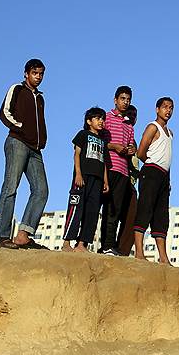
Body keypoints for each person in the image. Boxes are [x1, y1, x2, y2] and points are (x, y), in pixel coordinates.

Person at [0, 58, 49, 249]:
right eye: (35, 73)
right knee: (11, 186)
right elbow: (4, 112)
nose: (38, 77)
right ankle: (1, 236)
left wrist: (42, 139)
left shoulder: (40, 97)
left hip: (35, 149)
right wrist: (21, 127)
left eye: (41, 73)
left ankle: (23, 235)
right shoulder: (17, 89)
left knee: (41, 190)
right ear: (26, 73)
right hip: (17, 142)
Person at [133, 97, 174, 264]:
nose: (168, 110)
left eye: (171, 108)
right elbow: (141, 151)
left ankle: (163, 257)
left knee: (161, 215)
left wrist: (168, 179)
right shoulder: (152, 127)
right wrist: (149, 166)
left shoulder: (170, 133)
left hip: (164, 176)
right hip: (151, 171)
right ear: (157, 109)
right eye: (165, 107)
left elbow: (168, 158)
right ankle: (139, 252)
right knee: (145, 209)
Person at [62, 108, 109, 253]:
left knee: (92, 211)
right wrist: (78, 174)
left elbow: (104, 162)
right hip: (82, 178)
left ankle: (82, 244)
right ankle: (66, 243)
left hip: (98, 180)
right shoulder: (83, 134)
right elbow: (77, 154)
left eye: (102, 118)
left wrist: (106, 181)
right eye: (97, 118)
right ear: (89, 121)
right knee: (76, 207)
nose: (101, 121)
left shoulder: (103, 141)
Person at [99, 86, 136, 255]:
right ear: (115, 100)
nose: (125, 102)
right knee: (103, 207)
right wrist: (114, 146)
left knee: (115, 209)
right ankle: (98, 244)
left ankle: (109, 245)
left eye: (128, 99)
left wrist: (130, 150)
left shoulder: (129, 125)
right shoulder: (105, 118)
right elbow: (99, 142)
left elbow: (129, 147)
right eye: (122, 98)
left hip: (123, 171)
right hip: (108, 167)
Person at [118, 104, 140, 256]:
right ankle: (110, 247)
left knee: (132, 217)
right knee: (113, 214)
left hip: (131, 182)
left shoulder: (134, 138)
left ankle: (122, 250)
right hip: (120, 179)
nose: (131, 117)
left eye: (134, 115)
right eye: (129, 114)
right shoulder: (119, 132)